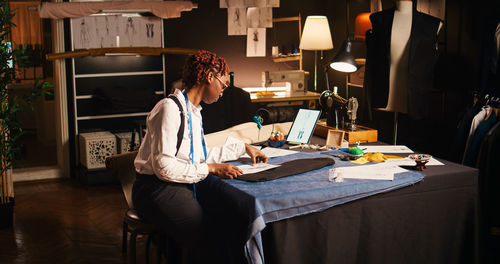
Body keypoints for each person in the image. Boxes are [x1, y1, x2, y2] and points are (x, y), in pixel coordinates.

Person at [132, 50, 268, 262]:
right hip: (155, 188)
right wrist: (211, 169)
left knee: (228, 219)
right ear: (208, 77)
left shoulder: (193, 112)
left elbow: (199, 156)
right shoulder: (170, 108)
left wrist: (243, 147)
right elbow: (163, 167)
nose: (223, 91)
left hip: (175, 184)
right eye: (223, 85)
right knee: (208, 234)